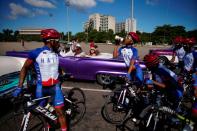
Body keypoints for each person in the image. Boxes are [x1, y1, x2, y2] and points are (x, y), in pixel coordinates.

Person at [12, 29, 68, 131]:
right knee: (43, 111)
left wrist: (63, 73)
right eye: (57, 40)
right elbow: (24, 68)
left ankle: (64, 129)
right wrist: (19, 86)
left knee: (61, 112)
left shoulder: (56, 53)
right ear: (51, 41)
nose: (59, 43)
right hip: (41, 88)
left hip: (55, 88)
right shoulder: (36, 53)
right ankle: (48, 125)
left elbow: (55, 66)